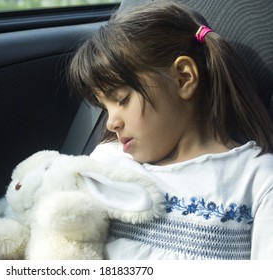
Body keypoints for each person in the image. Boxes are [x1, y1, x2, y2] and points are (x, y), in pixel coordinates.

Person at [68, 1, 273, 259]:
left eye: (121, 99)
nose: (111, 123)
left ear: (183, 78)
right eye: (105, 107)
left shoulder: (256, 179)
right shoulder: (107, 161)